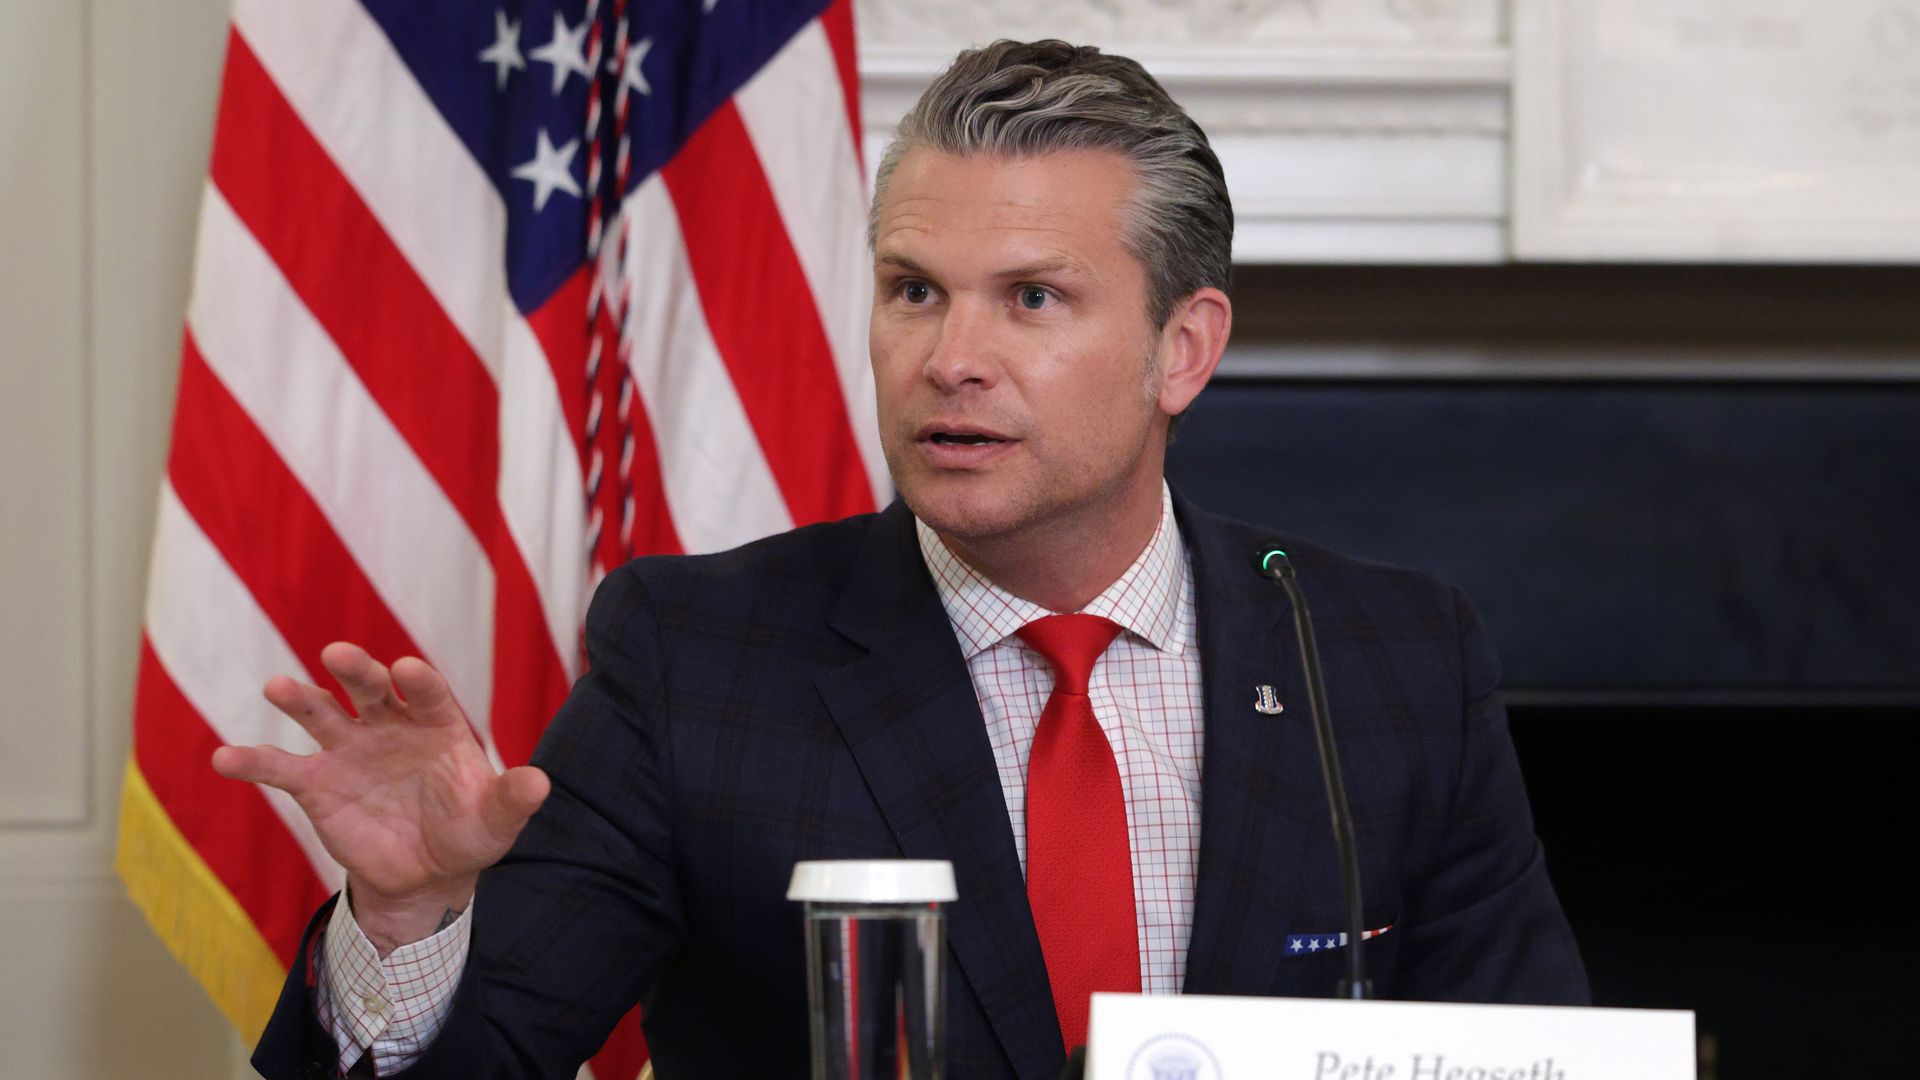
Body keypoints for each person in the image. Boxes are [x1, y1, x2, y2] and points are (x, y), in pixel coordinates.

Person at [217, 39, 1587, 1080]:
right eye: (914, 290)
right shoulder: (697, 659)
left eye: (1032, 299)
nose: (950, 358)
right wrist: (406, 918)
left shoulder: (1389, 660)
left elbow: (1537, 1054)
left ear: (1186, 348)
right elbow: (485, 1055)